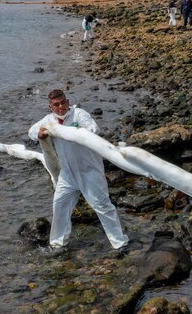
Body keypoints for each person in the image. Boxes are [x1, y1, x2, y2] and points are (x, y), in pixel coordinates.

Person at [29, 89, 129, 252]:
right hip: (67, 174)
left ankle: (119, 243)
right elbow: (32, 131)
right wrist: (40, 133)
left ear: (67, 102)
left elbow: (93, 130)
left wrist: (74, 132)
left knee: (102, 206)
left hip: (89, 172)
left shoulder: (79, 114)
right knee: (60, 206)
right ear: (50, 107)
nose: (60, 107)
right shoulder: (49, 121)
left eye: (63, 103)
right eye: (56, 104)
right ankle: (58, 244)